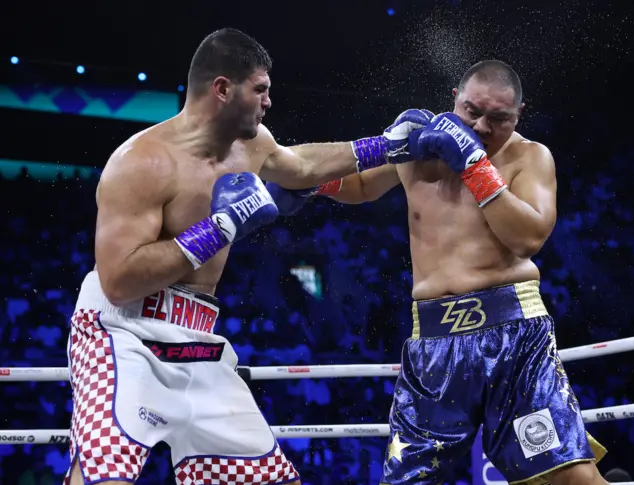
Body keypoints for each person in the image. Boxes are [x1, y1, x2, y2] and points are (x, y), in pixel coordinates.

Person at [64, 28, 432, 485]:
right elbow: (119, 281)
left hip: (197, 337)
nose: (268, 101)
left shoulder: (252, 145)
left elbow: (302, 168)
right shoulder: (141, 162)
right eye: (260, 89)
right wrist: (219, 228)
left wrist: (389, 145)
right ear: (222, 89)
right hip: (121, 333)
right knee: (106, 476)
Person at [266, 60, 609, 485]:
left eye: (499, 118)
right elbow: (360, 185)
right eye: (472, 111)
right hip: (433, 343)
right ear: (455, 99)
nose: (483, 126)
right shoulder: (417, 148)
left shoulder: (530, 157)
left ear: (520, 113)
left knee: (569, 478)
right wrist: (314, 184)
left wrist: (474, 165)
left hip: (514, 336)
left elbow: (528, 237)